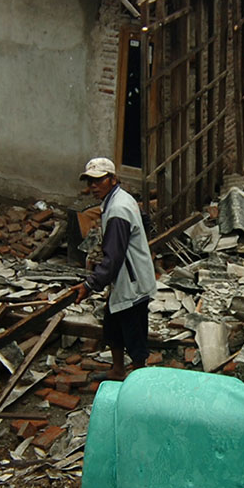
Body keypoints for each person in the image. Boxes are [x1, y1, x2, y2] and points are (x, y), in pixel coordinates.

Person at [74, 157, 157, 381]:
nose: (93, 186)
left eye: (98, 181)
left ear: (112, 180)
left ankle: (139, 379)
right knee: (112, 325)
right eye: (90, 181)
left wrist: (90, 284)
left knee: (133, 332)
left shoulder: (118, 208)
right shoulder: (120, 199)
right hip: (127, 276)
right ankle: (118, 370)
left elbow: (114, 257)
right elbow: (146, 221)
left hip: (132, 280)